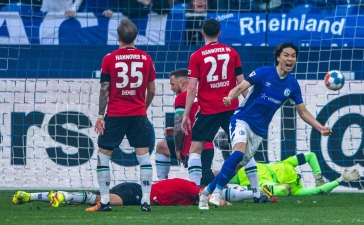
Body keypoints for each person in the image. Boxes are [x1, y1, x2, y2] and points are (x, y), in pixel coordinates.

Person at [198, 41, 334, 210]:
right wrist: (230, 97)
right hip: (242, 119)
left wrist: (320, 127)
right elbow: (241, 87)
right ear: (278, 57)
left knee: (236, 167)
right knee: (238, 154)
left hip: (259, 130)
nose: (290, 59)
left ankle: (204, 193)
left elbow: (303, 112)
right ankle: (216, 193)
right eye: (286, 55)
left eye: (293, 56)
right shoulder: (263, 73)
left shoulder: (292, 85)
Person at [181, 18, 264, 203]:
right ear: (219, 33)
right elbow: (242, 82)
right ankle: (257, 193)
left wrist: (186, 114)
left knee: (195, 148)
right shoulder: (232, 52)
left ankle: (195, 194)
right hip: (231, 107)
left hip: (208, 110)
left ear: (203, 33)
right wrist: (248, 106)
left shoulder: (197, 56)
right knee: (243, 149)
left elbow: (192, 88)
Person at [93, 19, 156, 212]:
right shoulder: (146, 58)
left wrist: (100, 115)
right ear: (135, 36)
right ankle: (145, 201)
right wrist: (142, 108)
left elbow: (105, 90)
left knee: (103, 157)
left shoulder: (109, 58)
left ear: (118, 37)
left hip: (116, 114)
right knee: (144, 157)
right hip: (138, 115)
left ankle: (104, 201)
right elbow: (152, 90)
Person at [11, 178, 275, 208]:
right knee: (106, 201)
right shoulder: (190, 188)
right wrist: (221, 203)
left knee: (98, 198)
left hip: (137, 189)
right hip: (139, 192)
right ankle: (65, 197)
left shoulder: (190, 193)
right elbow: (206, 196)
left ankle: (31, 196)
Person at [155, 68, 215, 185]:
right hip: (207, 146)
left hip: (193, 148)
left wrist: (177, 150)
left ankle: (246, 193)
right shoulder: (203, 95)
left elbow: (179, 125)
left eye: (172, 84)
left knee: (206, 188)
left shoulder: (182, 97)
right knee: (162, 147)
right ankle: (161, 184)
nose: (171, 88)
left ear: (181, 82)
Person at [229, 152, 360, 196]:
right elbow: (310, 156)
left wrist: (340, 179)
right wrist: (318, 177)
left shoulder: (297, 189)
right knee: (218, 175)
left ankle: (247, 192)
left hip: (263, 183)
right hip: (248, 170)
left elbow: (319, 190)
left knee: (284, 189)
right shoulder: (288, 163)